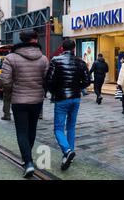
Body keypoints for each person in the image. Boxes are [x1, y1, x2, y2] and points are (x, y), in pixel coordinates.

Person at [0, 30, 49, 178]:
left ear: (21, 40)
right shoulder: (43, 58)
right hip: (36, 100)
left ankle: (28, 162)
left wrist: (14, 90)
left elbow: (5, 81)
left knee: (21, 131)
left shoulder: (11, 57)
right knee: (31, 130)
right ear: (34, 40)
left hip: (19, 100)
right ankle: (28, 158)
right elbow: (47, 79)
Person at [46, 40, 90, 171]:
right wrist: (77, 87)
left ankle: (67, 150)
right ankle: (70, 151)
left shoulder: (55, 60)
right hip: (75, 98)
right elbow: (87, 81)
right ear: (74, 48)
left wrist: (55, 91)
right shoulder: (80, 62)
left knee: (58, 128)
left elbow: (49, 80)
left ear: (62, 48)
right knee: (71, 126)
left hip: (61, 98)